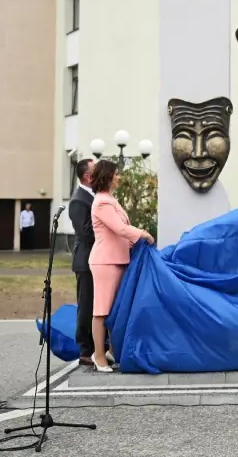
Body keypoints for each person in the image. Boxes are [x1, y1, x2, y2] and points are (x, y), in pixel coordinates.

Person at [89, 159, 155, 372]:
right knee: (101, 310)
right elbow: (119, 228)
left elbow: (121, 231)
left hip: (119, 260)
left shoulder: (110, 200)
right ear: (107, 176)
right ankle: (99, 355)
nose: (119, 177)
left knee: (115, 310)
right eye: (116, 174)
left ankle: (113, 351)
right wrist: (142, 234)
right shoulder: (102, 202)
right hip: (106, 262)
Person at [68, 158, 96, 366]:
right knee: (86, 305)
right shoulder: (79, 200)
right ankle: (85, 350)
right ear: (87, 176)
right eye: (96, 170)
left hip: (97, 258)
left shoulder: (93, 196)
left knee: (96, 304)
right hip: (86, 260)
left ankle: (98, 346)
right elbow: (85, 232)